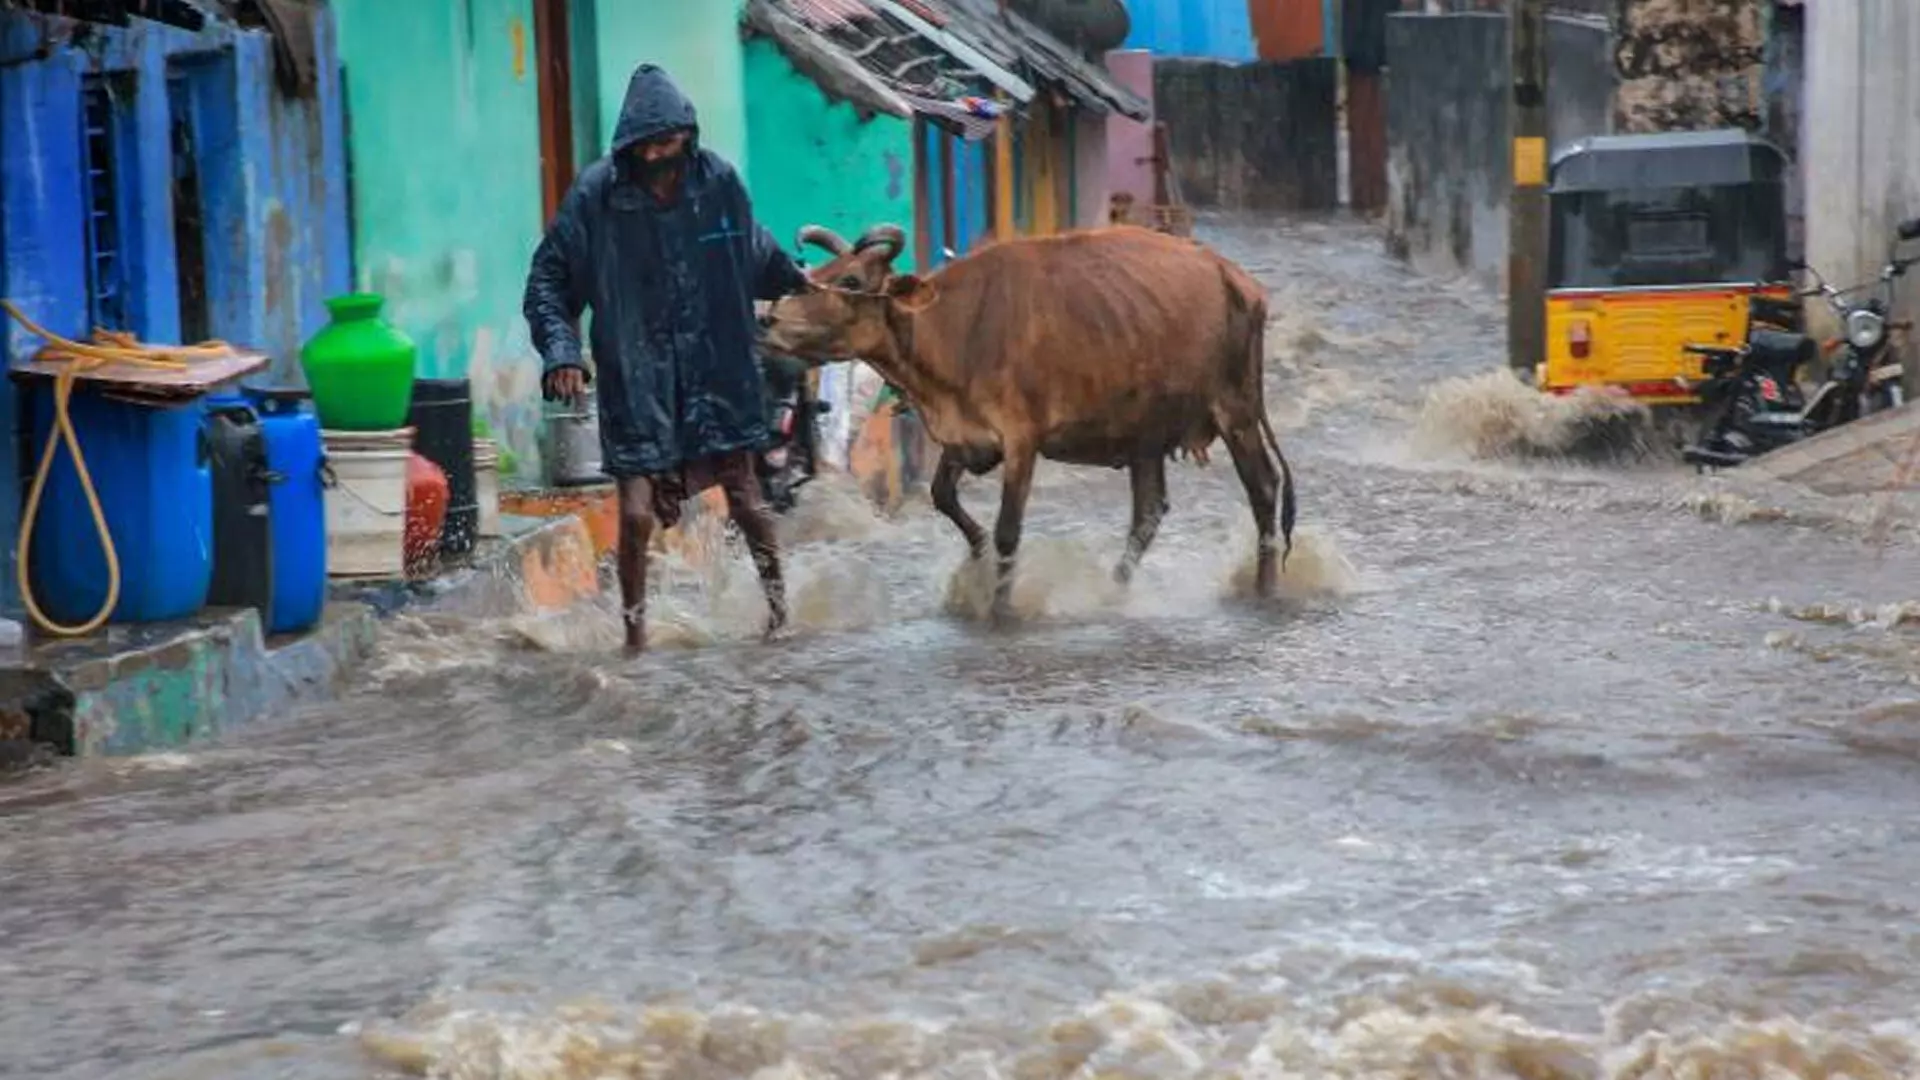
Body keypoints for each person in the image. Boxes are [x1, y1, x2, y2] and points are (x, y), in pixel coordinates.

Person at [523, 64, 811, 655]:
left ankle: (782, 617)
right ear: (630, 144)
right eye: (648, 144)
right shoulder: (596, 197)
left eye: (670, 141)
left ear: (688, 134)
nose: (660, 154)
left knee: (747, 498)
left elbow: (754, 248)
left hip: (718, 371)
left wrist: (804, 285)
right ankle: (635, 636)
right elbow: (549, 280)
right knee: (633, 514)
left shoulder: (719, 183)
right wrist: (561, 351)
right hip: (637, 375)